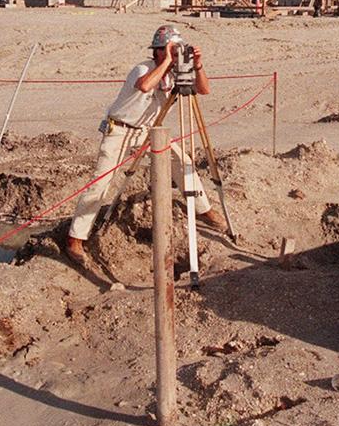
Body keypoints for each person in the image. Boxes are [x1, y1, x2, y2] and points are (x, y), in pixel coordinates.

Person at [65, 25, 228, 265]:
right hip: (120, 129)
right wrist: (168, 61)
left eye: (177, 48)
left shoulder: (178, 72)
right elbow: (144, 85)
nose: (175, 53)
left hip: (149, 130)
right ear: (158, 51)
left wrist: (197, 65)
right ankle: (75, 238)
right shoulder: (144, 68)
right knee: (101, 182)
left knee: (182, 162)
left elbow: (204, 90)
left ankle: (205, 210)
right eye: (170, 49)